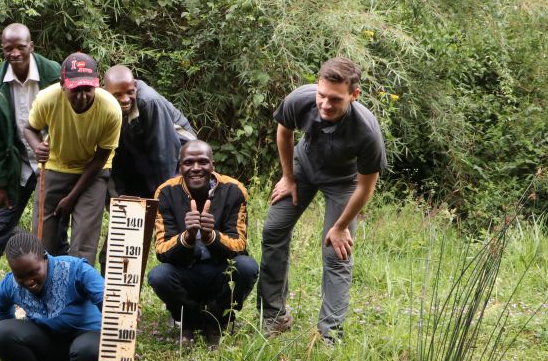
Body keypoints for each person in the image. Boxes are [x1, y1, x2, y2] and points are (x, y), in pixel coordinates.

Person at [258, 57, 387, 343]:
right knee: (273, 231)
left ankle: (330, 335)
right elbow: (284, 131)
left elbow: (365, 187)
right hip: (303, 169)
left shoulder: (367, 131)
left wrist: (340, 227)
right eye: (322, 95)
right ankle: (274, 317)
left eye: (335, 99)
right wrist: (288, 176)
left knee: (336, 253)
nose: (325, 105)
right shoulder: (301, 100)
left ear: (354, 96)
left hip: (344, 183)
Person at [148, 141, 258, 346]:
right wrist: (187, 237)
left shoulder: (234, 190)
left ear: (212, 165)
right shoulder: (165, 192)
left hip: (219, 269)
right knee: (159, 276)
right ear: (180, 167)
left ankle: (217, 320)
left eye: (203, 162)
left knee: (247, 267)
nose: (196, 168)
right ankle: (189, 320)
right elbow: (162, 250)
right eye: (188, 162)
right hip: (186, 271)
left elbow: (239, 245)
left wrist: (210, 236)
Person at [0, 23, 61, 291]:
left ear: (31, 47)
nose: (14, 53)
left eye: (20, 47)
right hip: (19, 166)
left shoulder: (54, 74)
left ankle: (57, 287)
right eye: (8, 48)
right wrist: (1, 184)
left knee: (53, 233)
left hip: (55, 165)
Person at [0, 230, 104, 361]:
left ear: (44, 257)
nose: (28, 281)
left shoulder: (75, 269)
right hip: (52, 348)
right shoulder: (10, 284)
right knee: (2, 333)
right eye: (21, 276)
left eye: (34, 272)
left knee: (88, 349)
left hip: (87, 345)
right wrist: (22, 331)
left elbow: (108, 300)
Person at [23, 52, 122, 265]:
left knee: (84, 243)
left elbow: (100, 157)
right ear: (62, 85)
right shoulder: (47, 99)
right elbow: (30, 129)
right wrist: (37, 146)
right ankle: (44, 291)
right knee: (42, 243)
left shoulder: (110, 110)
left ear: (97, 86)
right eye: (75, 90)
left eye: (88, 90)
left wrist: (71, 198)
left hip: (92, 171)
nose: (82, 97)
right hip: (55, 166)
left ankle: (77, 292)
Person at [102, 65, 196, 199]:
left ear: (135, 85)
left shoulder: (149, 102)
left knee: (167, 199)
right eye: (117, 95)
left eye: (130, 92)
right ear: (106, 91)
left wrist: (165, 196)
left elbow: (164, 151)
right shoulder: (103, 104)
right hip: (143, 154)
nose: (125, 99)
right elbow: (117, 154)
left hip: (180, 154)